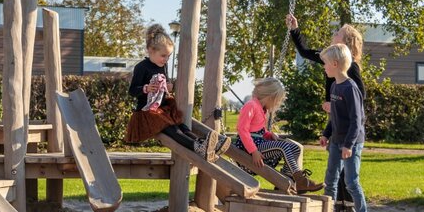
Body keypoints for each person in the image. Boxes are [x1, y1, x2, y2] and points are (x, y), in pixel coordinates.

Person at [286, 13, 365, 212]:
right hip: (336, 122)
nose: (334, 33)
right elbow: (304, 52)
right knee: (334, 172)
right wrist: (295, 30)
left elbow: (360, 96)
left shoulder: (351, 68)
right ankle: (334, 210)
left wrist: (336, 104)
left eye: (337, 32)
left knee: (346, 174)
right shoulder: (330, 58)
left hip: (348, 125)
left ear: (345, 42)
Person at [125, 24, 230, 162]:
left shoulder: (163, 66)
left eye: (168, 57)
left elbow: (166, 83)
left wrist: (169, 85)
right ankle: (197, 147)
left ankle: (205, 144)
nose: (166, 60)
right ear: (151, 50)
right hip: (146, 113)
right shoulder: (141, 67)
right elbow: (132, 91)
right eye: (163, 56)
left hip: (162, 109)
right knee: (172, 129)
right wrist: (146, 88)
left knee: (181, 125)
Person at [233, 77, 324, 194]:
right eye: (277, 101)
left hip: (258, 144)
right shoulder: (251, 105)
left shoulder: (261, 109)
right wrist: (253, 151)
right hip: (247, 149)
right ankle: (301, 180)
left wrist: (268, 134)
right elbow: (242, 129)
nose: (277, 104)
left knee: (294, 148)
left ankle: (284, 182)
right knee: (283, 147)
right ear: (271, 97)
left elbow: (257, 130)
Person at [319, 43, 370, 212]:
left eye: (325, 64)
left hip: (351, 142)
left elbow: (357, 120)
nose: (323, 67)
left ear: (335, 63)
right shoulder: (334, 86)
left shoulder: (350, 88)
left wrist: (349, 145)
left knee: (351, 182)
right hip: (336, 140)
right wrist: (326, 133)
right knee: (330, 181)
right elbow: (335, 116)